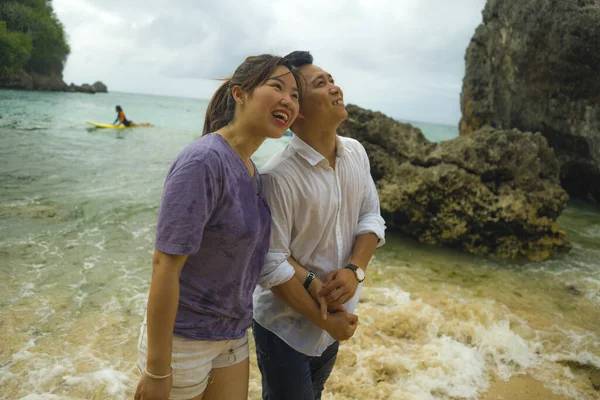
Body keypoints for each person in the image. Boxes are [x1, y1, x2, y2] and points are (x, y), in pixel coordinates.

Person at [134, 54, 301, 400]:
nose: (289, 99)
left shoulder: (252, 170)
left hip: (233, 333)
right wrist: (156, 369)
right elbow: (165, 265)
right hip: (184, 340)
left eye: (296, 95)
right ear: (239, 94)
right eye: (277, 86)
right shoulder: (204, 160)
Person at [252, 51, 386, 400]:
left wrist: (354, 270)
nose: (335, 88)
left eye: (332, 79)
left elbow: (371, 217)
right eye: (321, 84)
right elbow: (271, 264)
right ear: (299, 110)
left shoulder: (356, 152)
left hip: (336, 321)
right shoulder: (277, 177)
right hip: (285, 329)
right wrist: (324, 318)